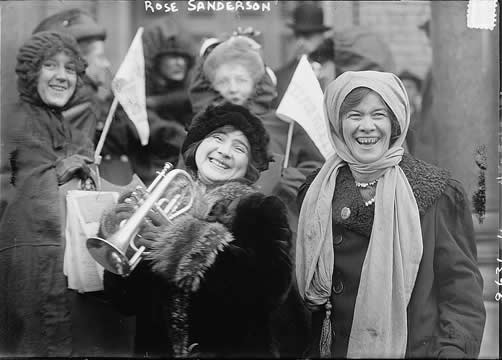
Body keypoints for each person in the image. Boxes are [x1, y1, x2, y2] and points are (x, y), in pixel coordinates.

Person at [296, 71, 486, 358]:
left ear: (395, 122)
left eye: (379, 115)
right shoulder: (316, 193)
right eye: (355, 115)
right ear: (338, 123)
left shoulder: (437, 192)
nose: (367, 127)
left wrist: (453, 352)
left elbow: (461, 295)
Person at [101, 103, 292, 357]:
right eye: (217, 138)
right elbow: (125, 302)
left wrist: (180, 242)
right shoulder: (159, 201)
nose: (224, 152)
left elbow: (269, 291)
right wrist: (122, 235)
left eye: (239, 148)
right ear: (197, 147)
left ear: (249, 167)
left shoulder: (262, 209)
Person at [189, 32, 319, 356]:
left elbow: (316, 162)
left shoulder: (280, 124)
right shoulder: (207, 125)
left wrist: (295, 179)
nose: (233, 86)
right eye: (224, 79)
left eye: (241, 78)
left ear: (257, 81)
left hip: (273, 216)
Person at [0, 31, 96, 356]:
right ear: (31, 72)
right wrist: (57, 172)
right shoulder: (11, 119)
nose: (62, 76)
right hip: (26, 264)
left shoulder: (68, 128)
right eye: (50, 65)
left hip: (64, 263)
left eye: (70, 69)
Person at [274, 2, 331, 106]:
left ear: (322, 36)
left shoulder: (335, 70)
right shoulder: (279, 78)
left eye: (307, 35)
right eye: (297, 35)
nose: (300, 42)